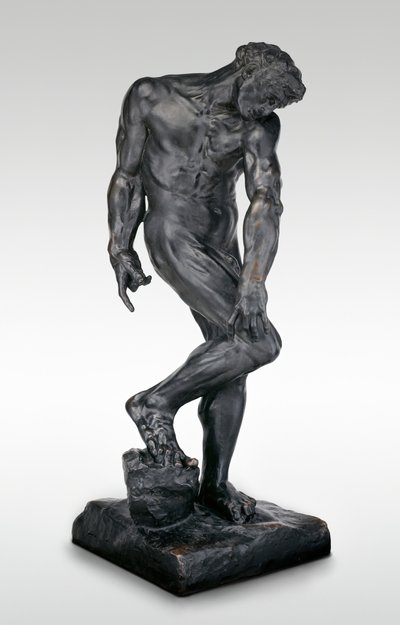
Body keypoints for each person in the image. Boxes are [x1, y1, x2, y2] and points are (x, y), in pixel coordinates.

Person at [107, 42, 306, 523]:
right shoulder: (152, 96)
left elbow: (265, 200)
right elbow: (127, 176)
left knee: (229, 361)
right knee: (258, 343)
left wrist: (254, 278)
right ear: (245, 72)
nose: (269, 109)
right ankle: (155, 403)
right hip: (172, 234)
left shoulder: (259, 126)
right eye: (268, 96)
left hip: (224, 245)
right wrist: (120, 244)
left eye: (277, 104)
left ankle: (214, 486)